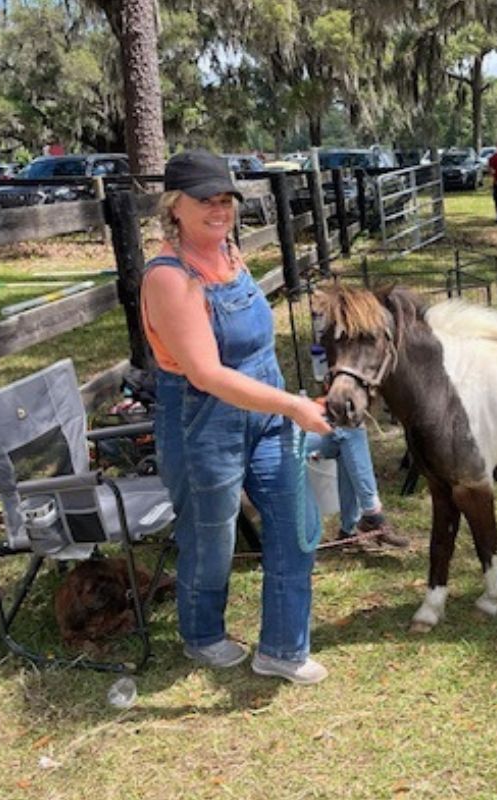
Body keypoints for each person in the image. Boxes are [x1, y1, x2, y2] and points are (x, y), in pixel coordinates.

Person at [142, 149, 333, 685]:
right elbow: (206, 374)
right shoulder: (168, 278)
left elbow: (256, 346)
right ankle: (202, 635)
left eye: (225, 199)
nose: (219, 209)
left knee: (297, 526)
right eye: (206, 200)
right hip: (203, 421)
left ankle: (281, 649)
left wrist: (282, 400)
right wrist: (293, 405)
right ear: (174, 206)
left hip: (265, 413)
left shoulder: (231, 255)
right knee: (211, 540)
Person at [306, 425, 408, 551]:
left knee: (347, 434)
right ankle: (370, 515)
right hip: (281, 441)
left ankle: (351, 527)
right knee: (348, 433)